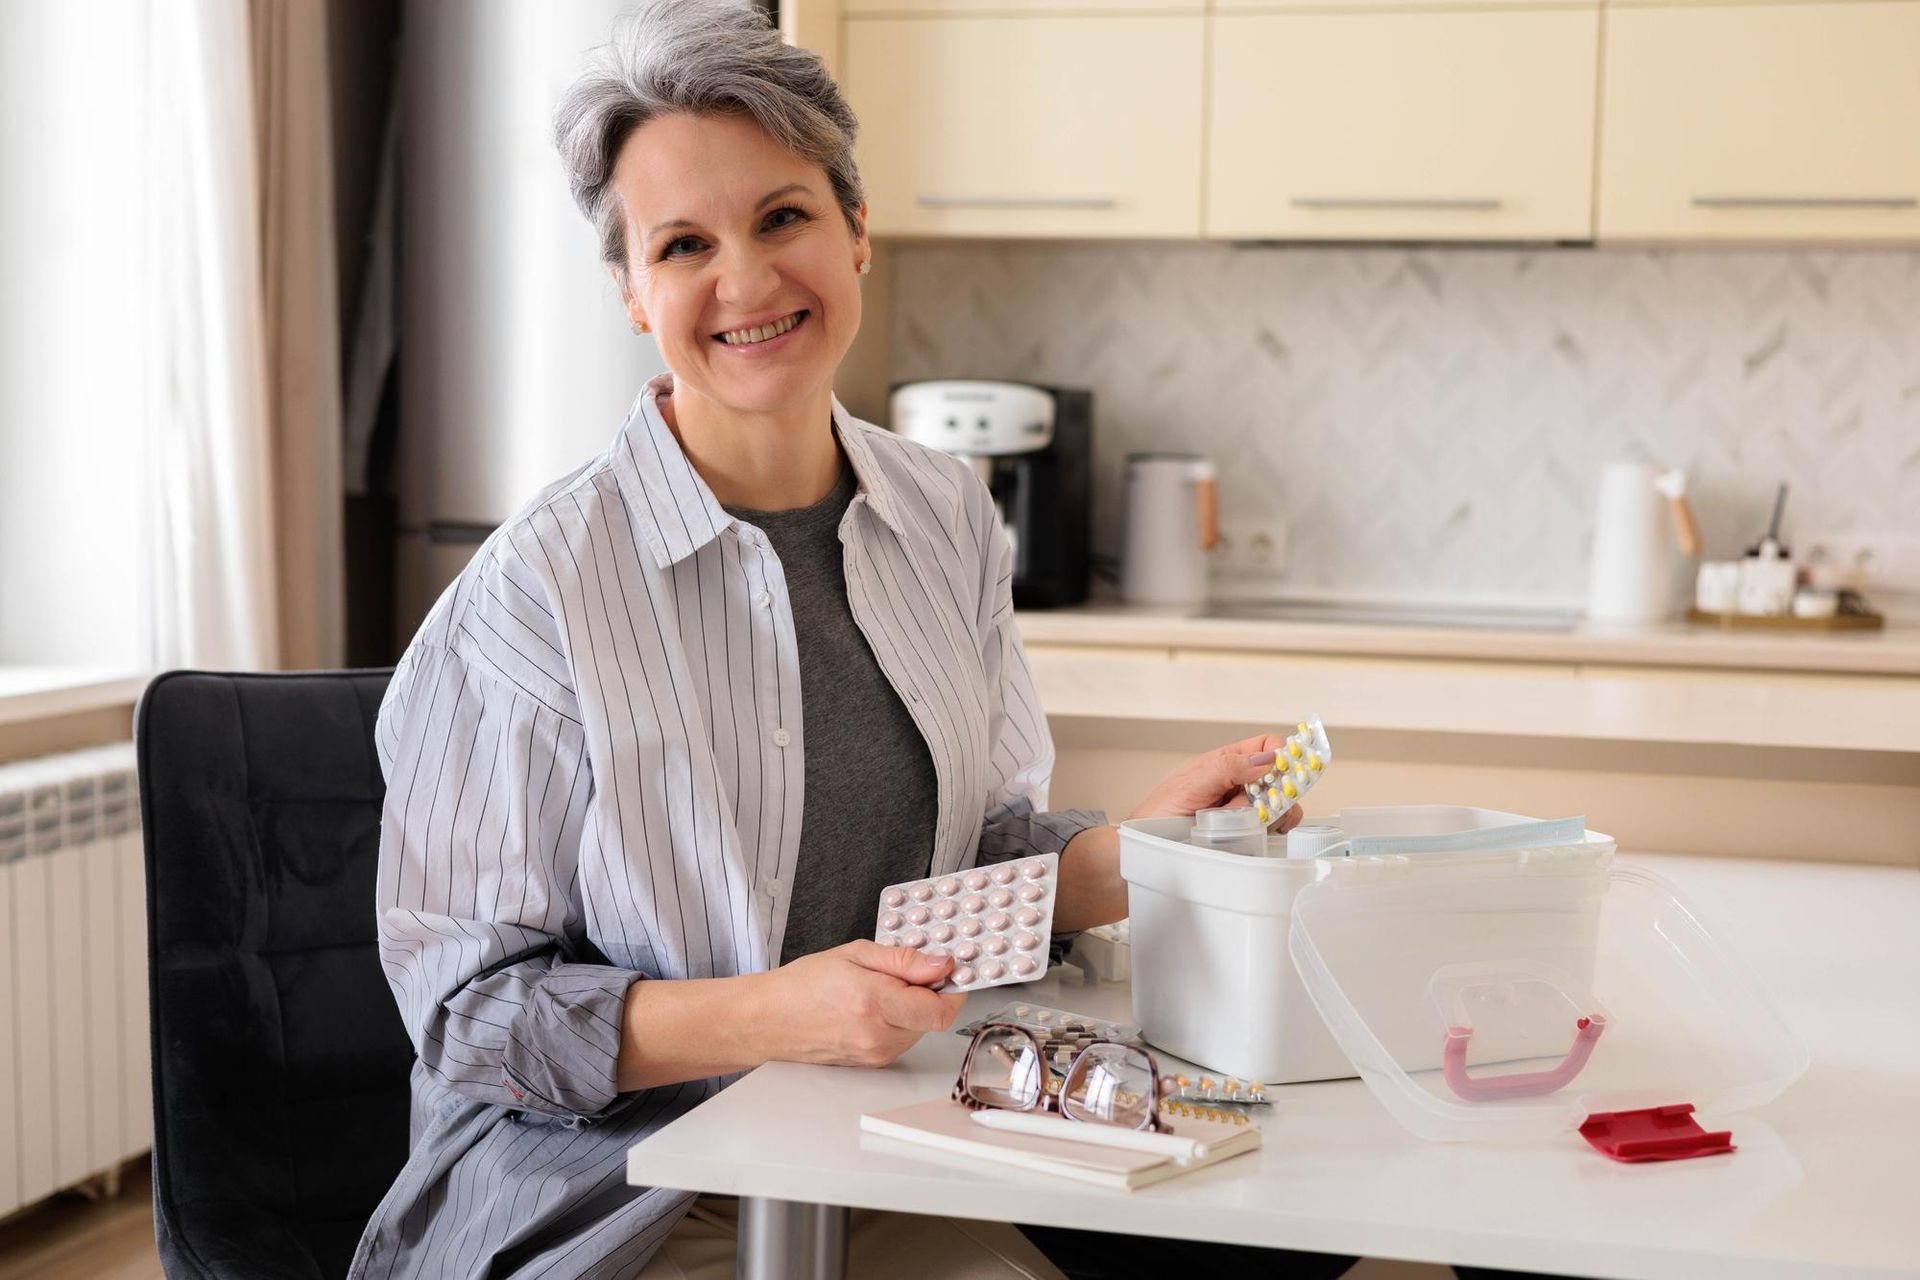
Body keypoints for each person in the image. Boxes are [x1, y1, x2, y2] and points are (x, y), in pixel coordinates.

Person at [347, 4, 1315, 1277]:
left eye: (783, 216)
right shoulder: (535, 590)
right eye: (684, 242)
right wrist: (771, 1014)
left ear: (857, 232)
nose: (745, 281)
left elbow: (967, 855)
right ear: (635, 292)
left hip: (894, 1135)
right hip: (627, 1191)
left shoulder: (947, 515)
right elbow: (469, 1019)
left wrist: (1135, 855)